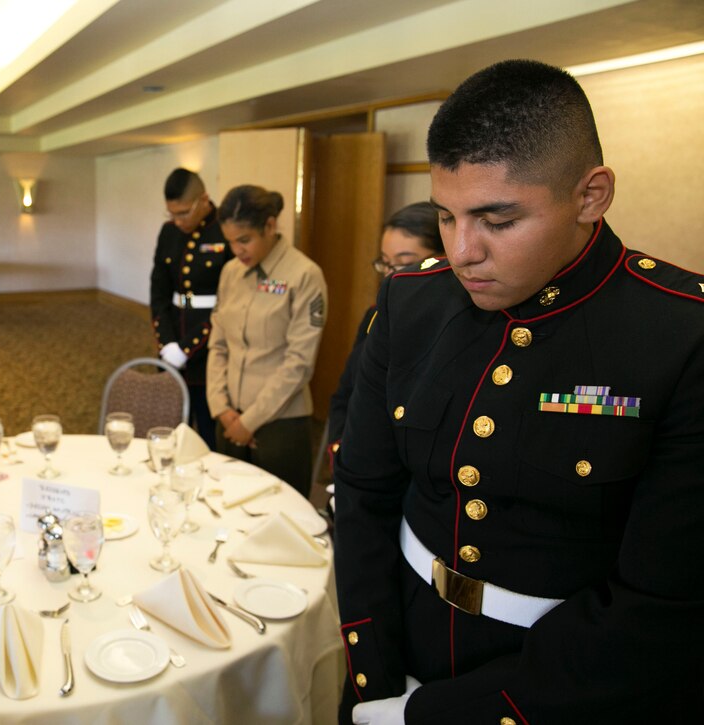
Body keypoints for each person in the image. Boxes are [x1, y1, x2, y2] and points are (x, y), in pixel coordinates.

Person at [334, 59, 704, 724]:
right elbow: (364, 490)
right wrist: (376, 673)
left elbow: (662, 603)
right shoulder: (410, 301)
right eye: (445, 216)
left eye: (496, 221)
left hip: (560, 686)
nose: (460, 251)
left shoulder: (681, 335)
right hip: (399, 635)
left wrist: (442, 714)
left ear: (591, 195)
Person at [207, 185, 327, 497]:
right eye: (230, 241)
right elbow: (218, 345)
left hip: (279, 425)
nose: (237, 250)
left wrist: (250, 421)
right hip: (229, 417)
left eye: (244, 240)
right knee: (225, 510)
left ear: (270, 226)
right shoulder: (231, 273)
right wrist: (220, 407)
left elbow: (298, 364)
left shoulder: (304, 275)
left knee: (280, 519)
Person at [327, 202, 444, 449]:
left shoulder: (452, 327)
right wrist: (341, 448)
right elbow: (346, 392)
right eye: (385, 264)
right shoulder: (376, 315)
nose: (391, 276)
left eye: (404, 263)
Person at [150, 168, 232, 449]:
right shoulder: (168, 232)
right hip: (172, 337)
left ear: (204, 199)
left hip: (210, 343)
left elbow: (228, 303)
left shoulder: (225, 229)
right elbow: (159, 291)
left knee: (208, 432)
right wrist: (168, 343)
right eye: (171, 214)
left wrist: (187, 347)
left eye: (183, 213)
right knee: (169, 427)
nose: (177, 220)